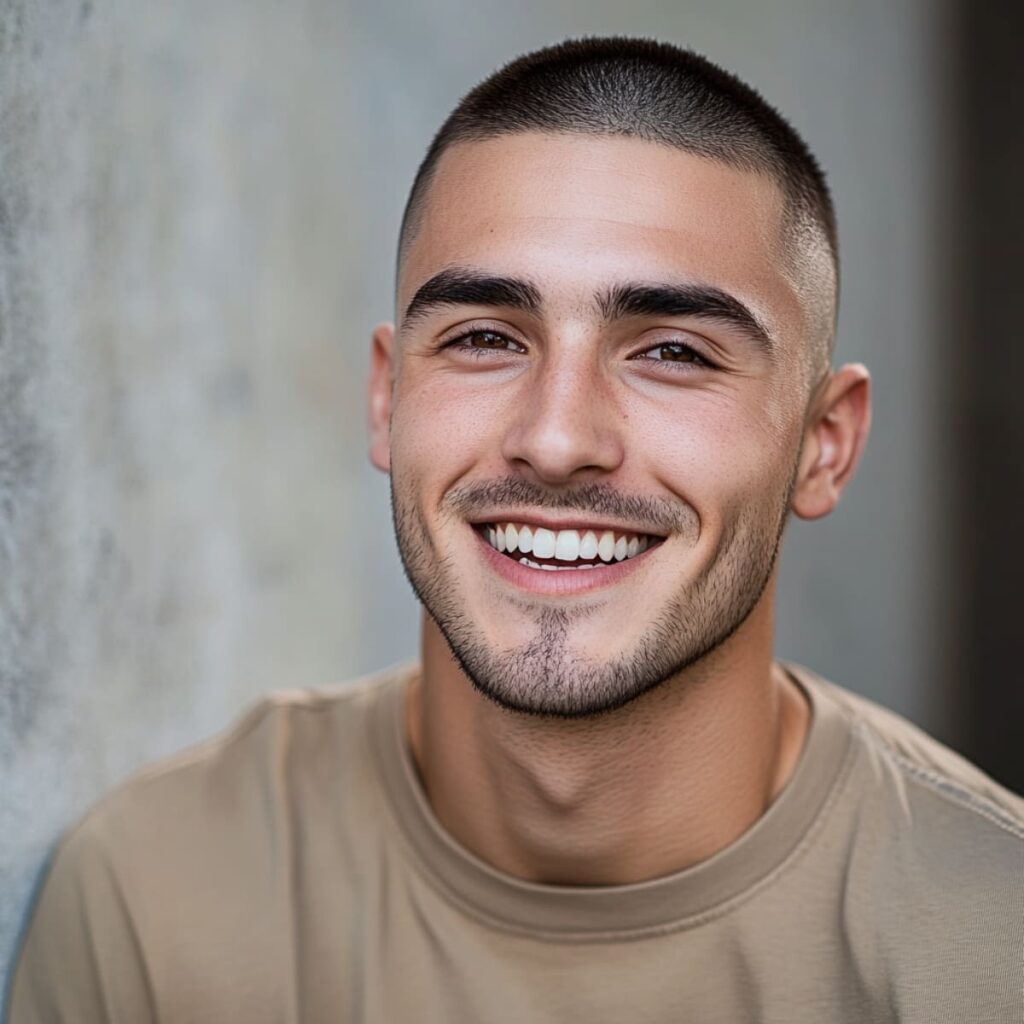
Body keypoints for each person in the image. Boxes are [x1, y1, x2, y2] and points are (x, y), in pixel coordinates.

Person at [8, 36, 1023, 1024]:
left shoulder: (991, 949)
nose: (554, 436)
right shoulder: (154, 904)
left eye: (671, 351)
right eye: (486, 338)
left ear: (823, 443)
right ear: (386, 397)